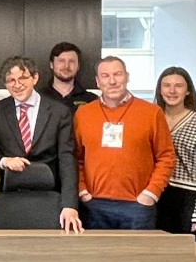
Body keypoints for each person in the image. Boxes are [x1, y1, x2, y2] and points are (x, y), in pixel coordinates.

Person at [74, 56, 175, 230]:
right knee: (97, 257)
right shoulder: (83, 114)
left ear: (127, 77)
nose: (112, 81)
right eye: (105, 76)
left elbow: (166, 157)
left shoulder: (152, 113)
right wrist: (83, 191)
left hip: (138, 206)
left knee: (137, 257)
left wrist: (151, 193)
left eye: (118, 74)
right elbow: (76, 157)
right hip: (94, 205)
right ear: (97, 82)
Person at [0, 55, 81, 232]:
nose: (17, 84)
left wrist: (70, 205)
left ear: (35, 78)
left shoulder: (59, 111)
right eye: (10, 80)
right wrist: (4, 161)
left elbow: (67, 160)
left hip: (50, 197)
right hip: (10, 197)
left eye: (22, 78)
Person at [152, 66, 196, 237]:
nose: (172, 91)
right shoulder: (151, 117)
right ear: (160, 89)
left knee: (184, 257)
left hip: (187, 198)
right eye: (167, 85)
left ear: (188, 90)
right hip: (156, 194)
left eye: (178, 86)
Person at [41, 41, 99, 111]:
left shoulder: (92, 100)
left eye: (71, 61)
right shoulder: (39, 97)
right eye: (61, 61)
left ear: (78, 66)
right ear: (51, 65)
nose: (66, 66)